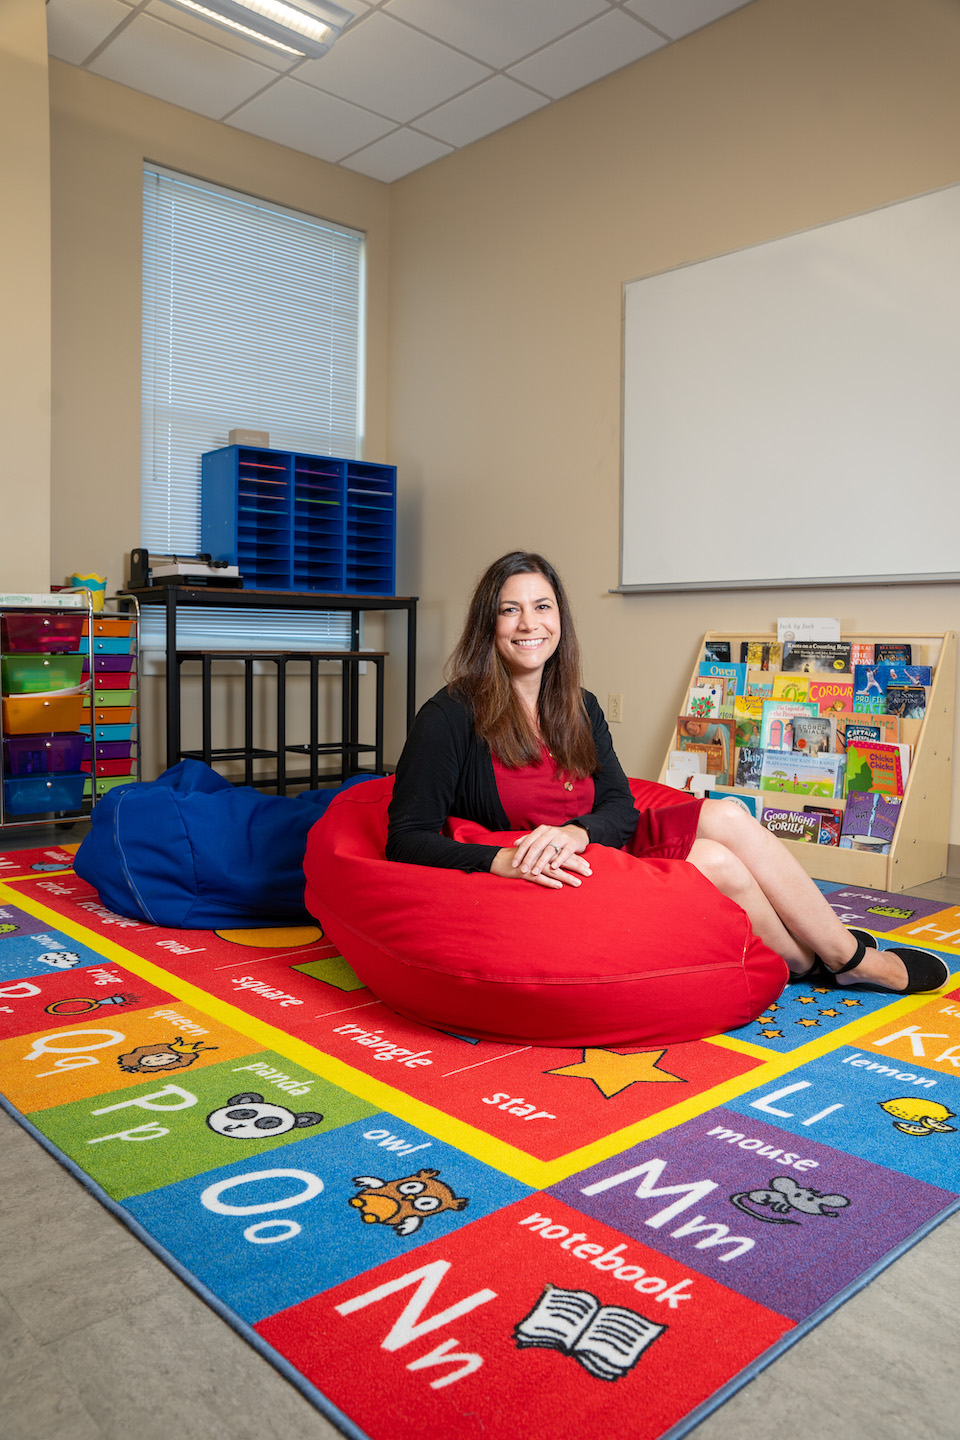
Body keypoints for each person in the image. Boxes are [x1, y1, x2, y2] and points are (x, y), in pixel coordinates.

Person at [387, 551, 947, 996]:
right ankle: (829, 960)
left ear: (561, 619)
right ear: (488, 622)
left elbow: (619, 807)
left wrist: (579, 831)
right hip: (553, 874)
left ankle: (840, 958)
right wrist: (502, 859)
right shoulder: (449, 715)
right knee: (715, 862)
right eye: (510, 609)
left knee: (727, 813)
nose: (529, 624)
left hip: (597, 847)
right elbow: (406, 837)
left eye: (543, 606)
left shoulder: (577, 704)